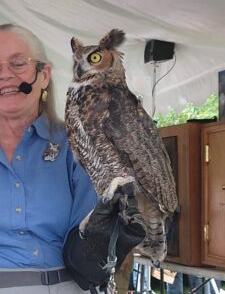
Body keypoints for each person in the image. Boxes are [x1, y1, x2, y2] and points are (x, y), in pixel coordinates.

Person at [0, 23, 145, 294]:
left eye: (18, 63)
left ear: (44, 75)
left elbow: (87, 246)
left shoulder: (76, 143)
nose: (5, 75)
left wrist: (107, 228)